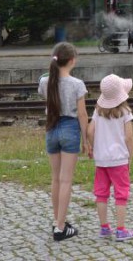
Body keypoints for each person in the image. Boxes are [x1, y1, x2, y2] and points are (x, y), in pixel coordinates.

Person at [38, 42, 88, 241]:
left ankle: (56, 220)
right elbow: (83, 115)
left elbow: (45, 89)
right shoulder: (77, 84)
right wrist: (87, 140)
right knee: (66, 179)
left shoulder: (44, 82)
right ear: (73, 60)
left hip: (51, 129)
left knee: (55, 179)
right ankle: (60, 227)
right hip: (69, 129)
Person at [87, 74, 133, 242]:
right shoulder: (125, 112)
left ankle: (104, 228)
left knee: (101, 193)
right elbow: (129, 137)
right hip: (119, 160)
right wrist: (130, 154)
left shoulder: (97, 111)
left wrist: (93, 147)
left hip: (101, 161)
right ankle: (121, 230)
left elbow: (90, 131)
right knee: (121, 194)